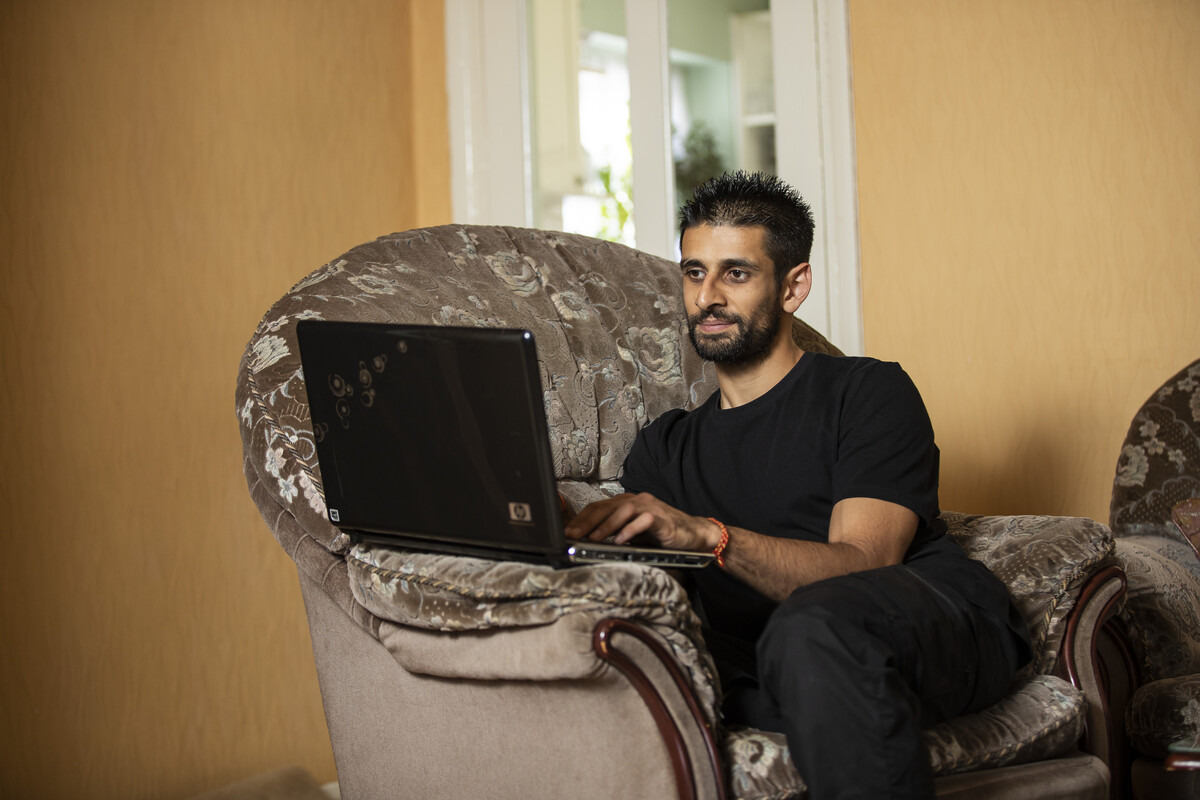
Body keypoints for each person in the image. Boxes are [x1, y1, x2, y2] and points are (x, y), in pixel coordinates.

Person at [564, 171, 1031, 800]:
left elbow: (864, 562)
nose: (707, 297)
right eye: (693, 272)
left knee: (810, 630)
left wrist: (711, 537)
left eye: (736, 273)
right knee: (767, 665)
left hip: (928, 622)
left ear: (793, 286)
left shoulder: (867, 393)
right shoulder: (662, 448)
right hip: (777, 667)